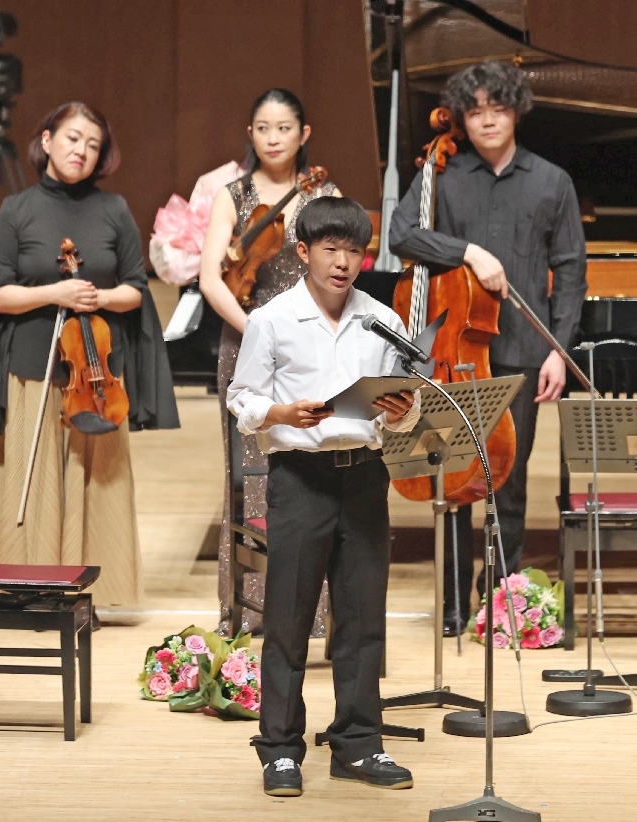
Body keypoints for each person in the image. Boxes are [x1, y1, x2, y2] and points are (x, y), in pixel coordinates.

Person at [228, 196, 420, 796]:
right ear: (305, 253)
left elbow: (403, 419)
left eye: (354, 250)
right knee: (287, 619)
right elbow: (242, 399)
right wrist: (280, 412)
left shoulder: (384, 319)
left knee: (362, 619)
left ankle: (359, 745)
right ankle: (280, 750)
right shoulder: (272, 319)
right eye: (330, 249)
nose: (342, 261)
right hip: (301, 480)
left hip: (365, 476)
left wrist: (403, 411)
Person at [389, 61, 587, 636]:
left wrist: (559, 350)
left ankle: (501, 600)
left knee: (510, 478)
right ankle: (452, 603)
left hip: (526, 349)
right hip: (455, 349)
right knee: (451, 475)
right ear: (462, 118)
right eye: (474, 111)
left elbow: (570, 274)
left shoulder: (552, 182)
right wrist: (466, 251)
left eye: (497, 108)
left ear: (516, 110)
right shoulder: (444, 176)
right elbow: (401, 233)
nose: (486, 121)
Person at [0, 101, 179, 617]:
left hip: (96, 373)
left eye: (93, 144)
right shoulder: (16, 211)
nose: (81, 150)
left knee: (93, 483)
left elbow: (134, 291)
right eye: (72, 138)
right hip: (32, 368)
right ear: (46, 140)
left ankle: (87, 593)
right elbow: (0, 297)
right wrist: (55, 293)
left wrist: (96, 299)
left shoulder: (115, 210)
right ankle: (35, 587)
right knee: (33, 483)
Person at [197, 89, 339, 635]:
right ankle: (248, 607)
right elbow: (212, 277)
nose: (273, 137)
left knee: (313, 466)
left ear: (304, 134)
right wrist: (258, 330)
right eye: (262, 128)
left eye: (284, 128)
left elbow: (339, 269)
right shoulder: (231, 195)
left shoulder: (323, 193)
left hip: (310, 347)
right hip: (247, 339)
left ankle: (310, 610)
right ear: (250, 134)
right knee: (248, 473)